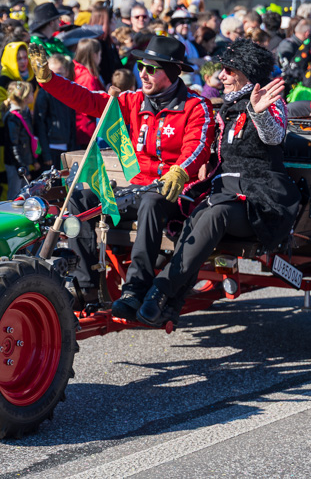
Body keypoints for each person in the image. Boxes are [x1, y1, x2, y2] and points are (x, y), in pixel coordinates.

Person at [27, 36, 215, 317]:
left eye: (152, 69)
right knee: (80, 199)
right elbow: (87, 100)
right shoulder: (132, 101)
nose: (142, 74)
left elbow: (198, 146)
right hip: (136, 189)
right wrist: (48, 79)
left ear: (173, 72)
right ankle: (85, 284)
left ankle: (135, 288)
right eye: (141, 67)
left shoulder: (196, 106)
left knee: (152, 200)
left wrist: (180, 170)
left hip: (174, 193)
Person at [136, 40, 300, 326]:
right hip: (224, 191)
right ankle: (166, 302)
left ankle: (159, 291)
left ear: (245, 75)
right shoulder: (228, 107)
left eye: (228, 70)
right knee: (198, 212)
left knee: (215, 213)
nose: (220, 76)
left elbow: (274, 137)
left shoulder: (270, 104)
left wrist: (259, 113)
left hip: (260, 198)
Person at [33, 55, 78, 169]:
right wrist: (46, 153)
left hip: (66, 149)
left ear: (67, 72)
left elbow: (72, 122)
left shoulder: (69, 93)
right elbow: (40, 124)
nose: (55, 78)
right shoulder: (44, 93)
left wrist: (72, 149)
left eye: (59, 73)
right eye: (51, 74)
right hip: (51, 148)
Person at [1, 81, 40, 195]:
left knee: (25, 194)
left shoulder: (24, 113)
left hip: (23, 162)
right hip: (16, 164)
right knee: (15, 193)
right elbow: (14, 146)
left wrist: (33, 161)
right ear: (24, 97)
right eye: (31, 93)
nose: (33, 95)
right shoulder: (13, 117)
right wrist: (22, 168)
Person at [72, 38, 104, 143]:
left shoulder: (78, 71)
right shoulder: (87, 78)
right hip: (87, 130)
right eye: (100, 54)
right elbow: (89, 106)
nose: (101, 57)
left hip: (83, 127)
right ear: (94, 55)